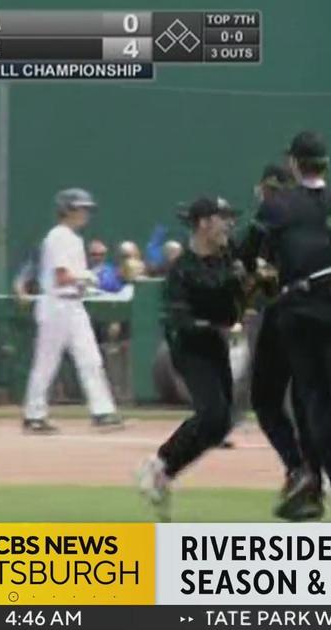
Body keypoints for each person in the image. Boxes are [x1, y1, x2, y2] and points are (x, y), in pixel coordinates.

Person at [237, 131, 331, 513]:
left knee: (309, 397)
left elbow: (245, 251)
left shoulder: (277, 205)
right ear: (325, 164)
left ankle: (316, 479)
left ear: (295, 164)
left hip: (292, 308)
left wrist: (260, 275)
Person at [137, 196, 245, 520]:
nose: (228, 224)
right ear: (203, 223)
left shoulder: (230, 256)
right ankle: (157, 464)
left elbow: (241, 299)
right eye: (221, 218)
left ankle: (164, 471)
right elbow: (178, 320)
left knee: (221, 422)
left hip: (215, 345)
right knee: (212, 414)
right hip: (189, 348)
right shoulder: (182, 270)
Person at [21, 188, 123, 434]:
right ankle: (34, 415)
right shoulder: (59, 236)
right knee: (46, 363)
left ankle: (102, 412)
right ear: (67, 209)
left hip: (73, 306)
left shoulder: (73, 238)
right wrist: (88, 277)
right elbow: (62, 276)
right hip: (56, 305)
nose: (85, 213)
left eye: (86, 209)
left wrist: (86, 282)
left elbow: (70, 279)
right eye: (80, 208)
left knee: (91, 359)